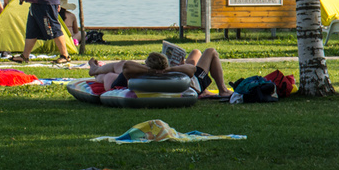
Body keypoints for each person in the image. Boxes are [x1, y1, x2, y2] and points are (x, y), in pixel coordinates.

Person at [88, 48, 232, 97]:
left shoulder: (142, 72)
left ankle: (96, 70)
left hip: (192, 82)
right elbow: (191, 70)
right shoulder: (170, 72)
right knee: (206, 52)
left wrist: (155, 70)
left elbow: (127, 66)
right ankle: (223, 90)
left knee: (106, 76)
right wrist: (171, 68)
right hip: (193, 81)